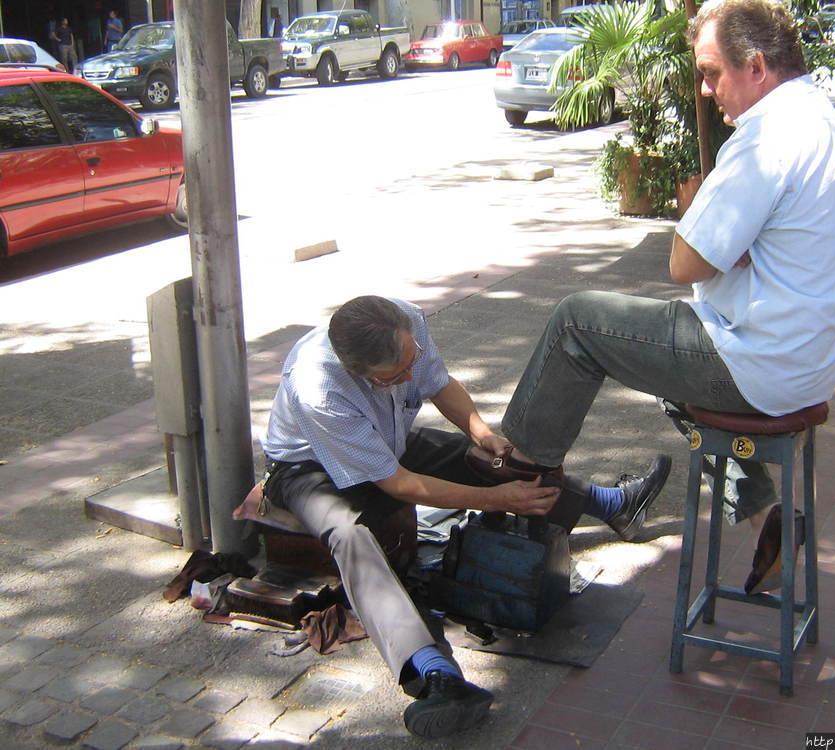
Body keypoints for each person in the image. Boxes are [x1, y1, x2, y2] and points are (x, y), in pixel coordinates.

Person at [499, 0, 835, 595]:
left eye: (712, 72)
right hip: (812, 361)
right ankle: (767, 517)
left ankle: (517, 473)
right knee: (664, 364)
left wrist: (708, 222)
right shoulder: (826, 123)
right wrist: (734, 241)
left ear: (754, 65)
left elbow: (682, 262)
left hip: (763, 362)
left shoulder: (767, 138)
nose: (705, 90)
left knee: (578, 321)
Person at [260, 295, 671, 738]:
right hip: (308, 466)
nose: (410, 376)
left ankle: (612, 505)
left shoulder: (405, 319)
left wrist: (482, 434)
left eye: (411, 360)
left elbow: (438, 384)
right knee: (351, 535)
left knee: (498, 464)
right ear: (360, 373)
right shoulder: (318, 384)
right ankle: (435, 673)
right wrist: (497, 501)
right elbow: (397, 484)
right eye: (396, 377)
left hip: (384, 442)